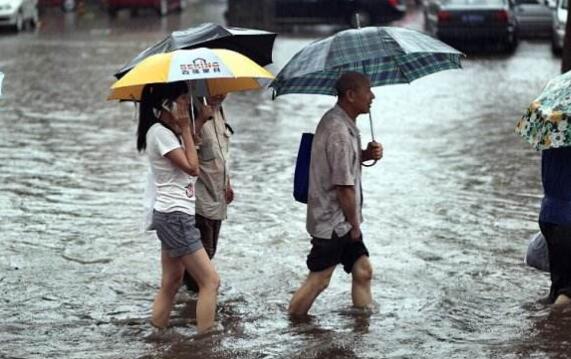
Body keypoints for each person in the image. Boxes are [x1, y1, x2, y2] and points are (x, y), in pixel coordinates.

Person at [289, 71, 383, 316]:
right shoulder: (338, 130)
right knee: (319, 280)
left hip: (343, 220)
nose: (372, 96)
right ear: (351, 95)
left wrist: (365, 155)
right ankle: (293, 321)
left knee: (363, 271)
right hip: (334, 222)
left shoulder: (344, 124)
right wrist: (355, 226)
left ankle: (362, 329)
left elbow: (342, 164)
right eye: (367, 90)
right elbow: (343, 187)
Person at [137, 82, 220, 333]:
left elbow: (188, 151)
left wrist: (197, 123)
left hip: (173, 214)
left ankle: (156, 334)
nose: (187, 104)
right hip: (175, 216)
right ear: (166, 103)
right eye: (183, 99)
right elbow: (192, 167)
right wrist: (185, 127)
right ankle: (206, 342)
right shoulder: (159, 133)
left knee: (171, 282)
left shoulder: (166, 132)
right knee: (210, 282)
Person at [183, 93, 234, 292]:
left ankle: (186, 299)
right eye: (218, 87)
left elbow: (222, 153)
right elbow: (183, 149)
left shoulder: (220, 111)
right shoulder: (192, 112)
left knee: (209, 252)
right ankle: (194, 301)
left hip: (217, 194)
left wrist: (228, 183)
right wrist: (201, 119)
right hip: (199, 196)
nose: (223, 93)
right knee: (203, 254)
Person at [538, 146, 571, 307]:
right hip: (567, 220)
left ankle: (544, 320)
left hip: (548, 215)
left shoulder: (551, 140)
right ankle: (554, 318)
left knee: (558, 283)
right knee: (568, 292)